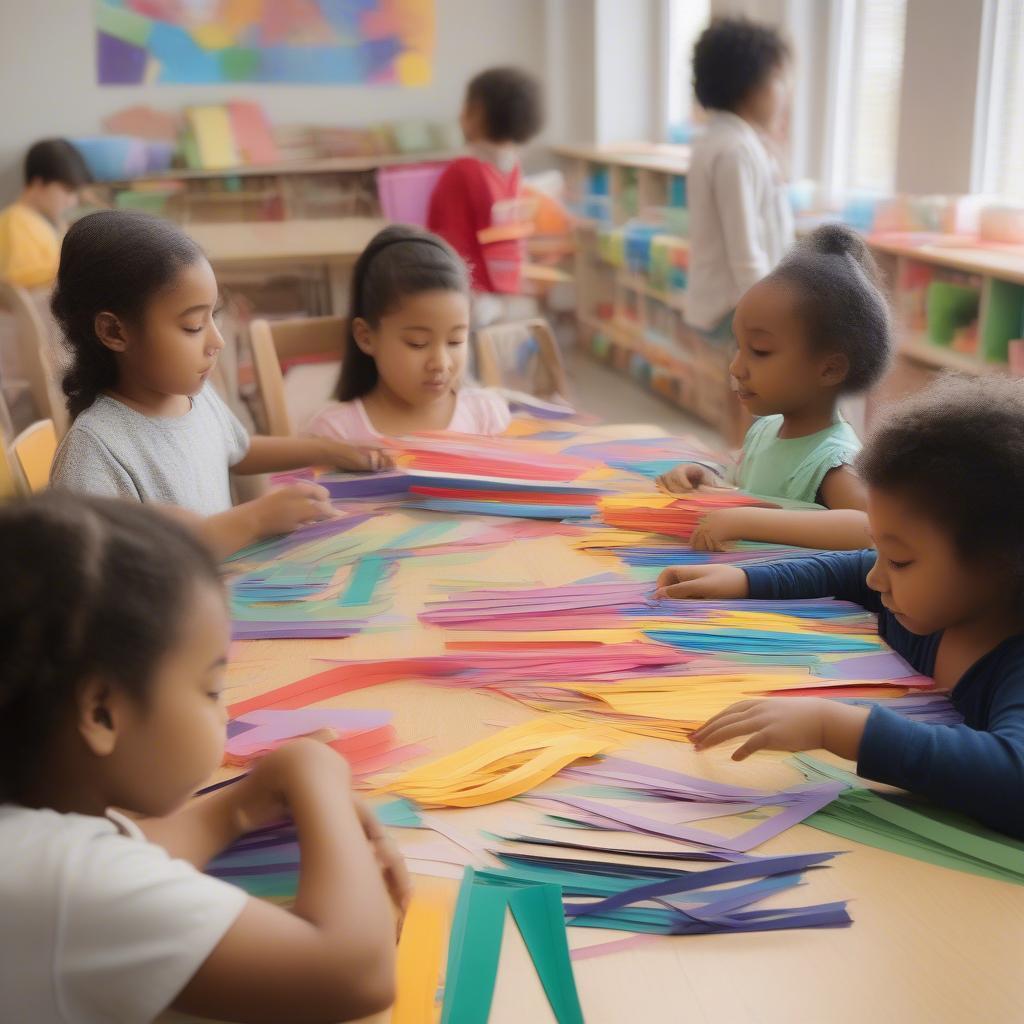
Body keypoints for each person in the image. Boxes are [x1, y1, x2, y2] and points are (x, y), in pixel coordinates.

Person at [0, 492, 407, 1022]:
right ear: (101, 712)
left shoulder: (34, 831)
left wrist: (242, 803)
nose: (225, 709)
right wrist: (321, 776)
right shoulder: (64, 884)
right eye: (212, 688)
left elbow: (138, 847)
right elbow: (356, 975)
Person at [656, 375, 1024, 839]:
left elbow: (1014, 780)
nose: (877, 577)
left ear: (1000, 566)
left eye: (901, 561)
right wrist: (742, 579)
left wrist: (838, 728)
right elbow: (852, 568)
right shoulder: (937, 597)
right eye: (881, 549)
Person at [48, 210, 390, 558]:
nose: (217, 341)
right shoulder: (94, 450)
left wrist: (328, 449)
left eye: (213, 316)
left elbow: (236, 450)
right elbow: (104, 573)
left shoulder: (191, 397)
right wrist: (253, 520)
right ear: (113, 331)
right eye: (193, 326)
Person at [658, 224, 892, 552]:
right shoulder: (766, 429)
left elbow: (872, 530)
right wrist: (705, 474)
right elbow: (745, 478)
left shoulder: (832, 463)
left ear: (829, 368)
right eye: (738, 348)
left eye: (761, 351)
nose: (736, 367)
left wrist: (746, 519)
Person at [304, 224, 510, 444]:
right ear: (366, 337)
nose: (440, 363)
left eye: (455, 341)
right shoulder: (336, 434)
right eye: (418, 343)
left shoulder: (486, 414)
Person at [686, 17, 794, 338]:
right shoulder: (735, 150)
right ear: (749, 86)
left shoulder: (727, 140)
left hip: (735, 303)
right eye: (778, 80)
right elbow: (744, 251)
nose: (784, 93)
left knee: (739, 386)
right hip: (735, 307)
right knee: (745, 387)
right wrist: (768, 316)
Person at [428, 66, 543, 321]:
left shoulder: (462, 170)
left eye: (465, 107)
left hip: (471, 301)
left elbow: (448, 243)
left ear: (476, 113)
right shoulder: (513, 168)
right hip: (508, 297)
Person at [0, 138, 91, 288]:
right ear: (39, 183)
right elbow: (18, 283)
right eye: (67, 191)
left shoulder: (38, 222)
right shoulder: (16, 222)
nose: (72, 201)